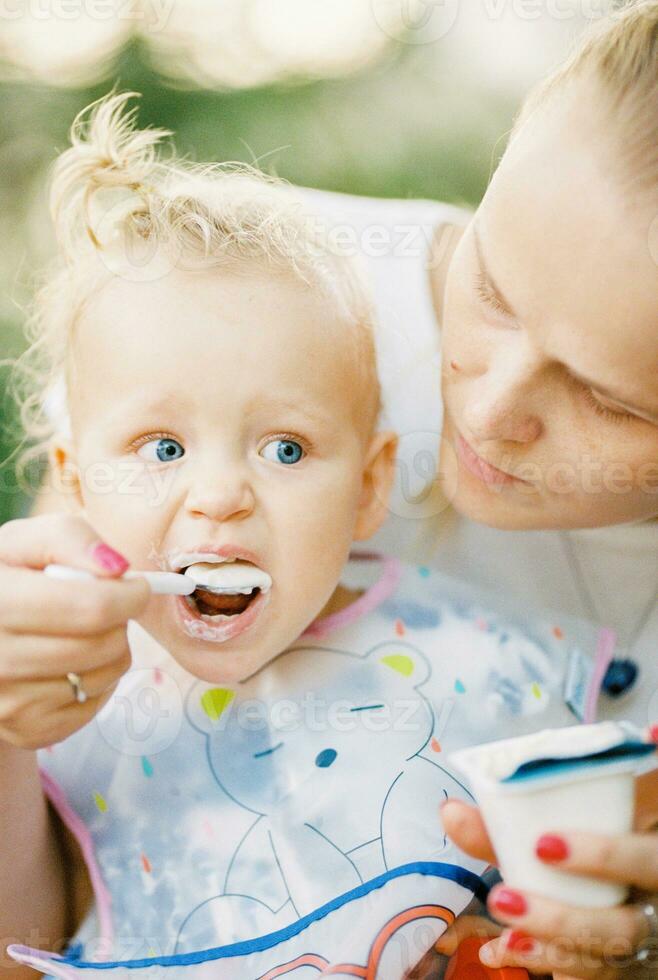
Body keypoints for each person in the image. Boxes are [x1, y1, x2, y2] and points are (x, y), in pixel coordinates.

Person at [10, 4, 658, 976]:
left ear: (367, 482)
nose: (485, 414)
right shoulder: (245, 295)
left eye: (608, 400)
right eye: (490, 286)